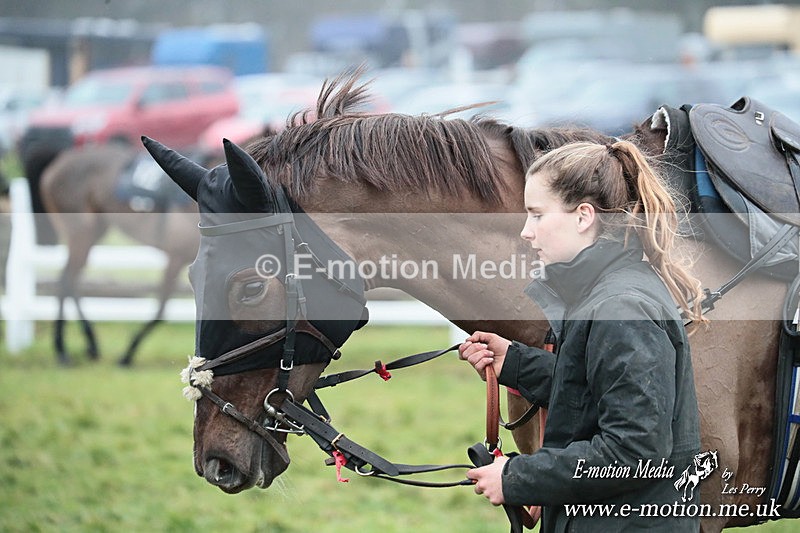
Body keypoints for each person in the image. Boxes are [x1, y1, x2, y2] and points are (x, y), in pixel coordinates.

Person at [459, 140, 703, 532]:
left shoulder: (619, 308)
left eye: (537, 215)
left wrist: (518, 477)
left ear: (583, 216)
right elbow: (598, 393)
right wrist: (518, 365)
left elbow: (633, 452)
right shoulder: (603, 294)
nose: (526, 231)